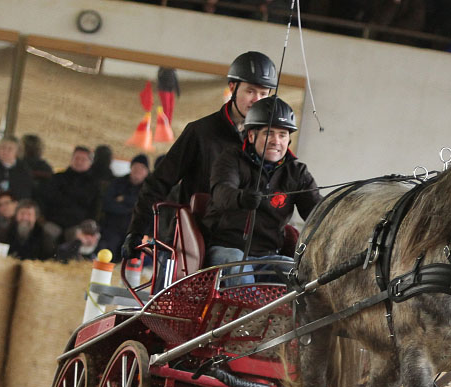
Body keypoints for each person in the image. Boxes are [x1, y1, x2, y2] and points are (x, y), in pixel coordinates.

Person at [123, 51, 278, 262]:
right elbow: (158, 183)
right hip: (194, 244)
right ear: (232, 88)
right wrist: (136, 231)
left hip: (251, 245)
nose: (256, 100)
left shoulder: (272, 142)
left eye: (263, 94)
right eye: (250, 91)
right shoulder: (200, 132)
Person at [202, 97, 321, 282]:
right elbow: (221, 193)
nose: (276, 141)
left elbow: (317, 212)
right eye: (269, 133)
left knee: (301, 276)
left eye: (282, 135)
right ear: (251, 136)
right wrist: (241, 198)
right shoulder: (231, 159)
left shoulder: (297, 173)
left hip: (268, 256)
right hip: (227, 250)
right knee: (242, 273)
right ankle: (245, 312)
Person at [40, 146, 101, 237]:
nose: (79, 162)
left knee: (77, 236)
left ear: (90, 163)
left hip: (79, 224)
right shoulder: (57, 178)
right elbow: (46, 198)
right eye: (76, 158)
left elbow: (95, 208)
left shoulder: (94, 184)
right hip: (54, 221)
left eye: (83, 159)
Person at [99, 154, 149, 261]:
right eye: (135, 167)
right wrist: (131, 208)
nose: (138, 171)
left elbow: (147, 207)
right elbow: (107, 204)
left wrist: (124, 199)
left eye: (142, 169)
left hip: (136, 230)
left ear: (147, 172)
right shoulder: (118, 183)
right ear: (131, 168)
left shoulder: (148, 189)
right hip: (113, 226)